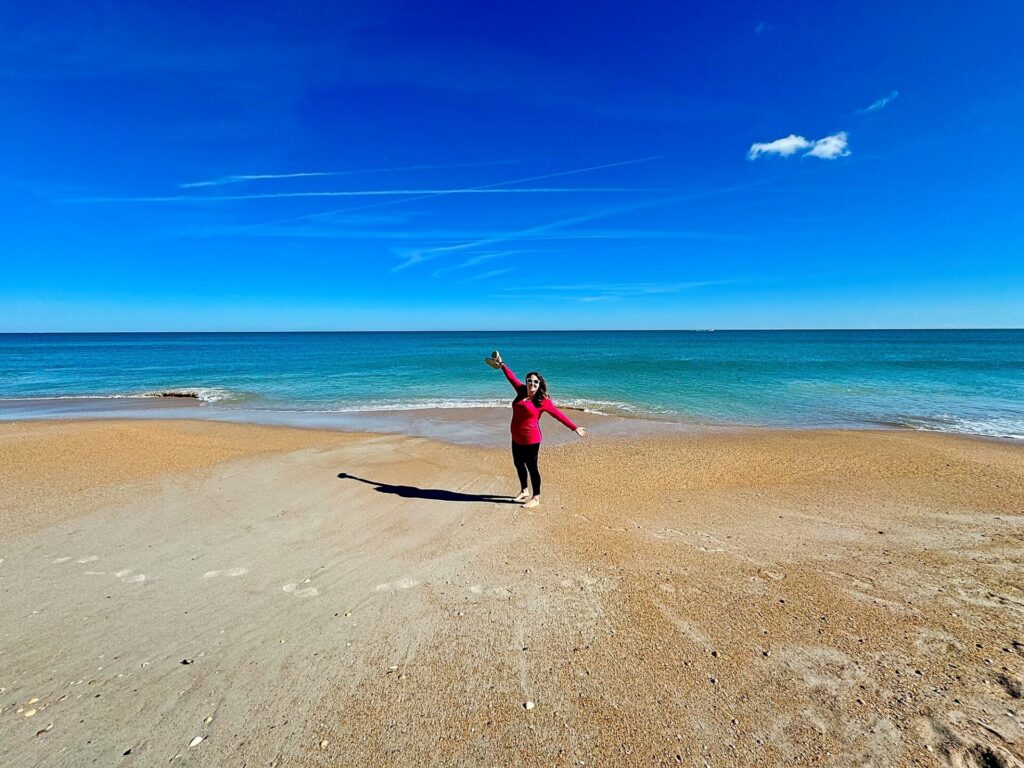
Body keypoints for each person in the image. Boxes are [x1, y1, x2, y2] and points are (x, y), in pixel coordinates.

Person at [486, 350, 586, 509]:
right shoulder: (520, 391)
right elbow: (510, 377)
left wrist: (574, 427)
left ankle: (536, 497)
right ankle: (524, 491)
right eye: (529, 381)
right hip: (516, 437)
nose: (532, 384)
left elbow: (558, 415)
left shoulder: (542, 400)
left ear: (539, 384)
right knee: (518, 464)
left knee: (532, 468)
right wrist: (502, 363)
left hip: (531, 440)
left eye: (535, 382)